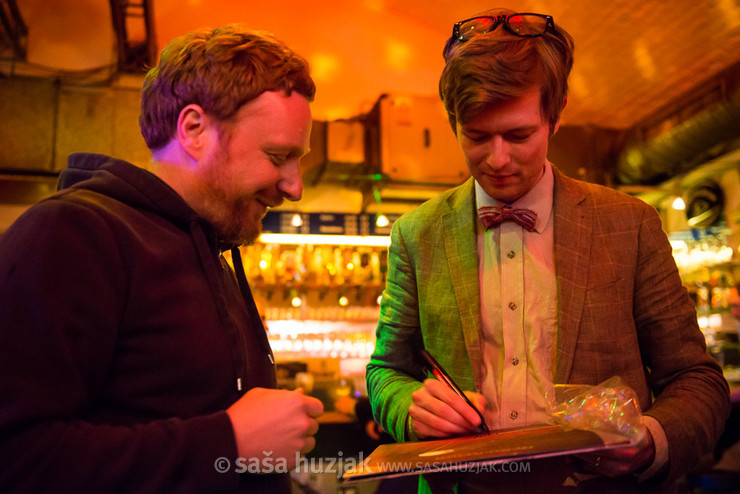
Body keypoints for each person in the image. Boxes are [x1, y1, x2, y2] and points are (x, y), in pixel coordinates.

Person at [366, 8, 730, 493]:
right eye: (475, 136)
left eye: (519, 135)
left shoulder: (630, 224)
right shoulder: (416, 233)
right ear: (454, 122)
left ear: (555, 120)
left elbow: (697, 379)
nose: (497, 160)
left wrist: (651, 440)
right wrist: (409, 404)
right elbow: (386, 371)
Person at [0, 25, 323, 493]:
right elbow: (17, 457)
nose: (295, 187)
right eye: (278, 156)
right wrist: (226, 443)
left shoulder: (211, 247)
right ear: (193, 129)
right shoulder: (74, 234)